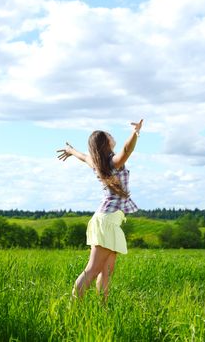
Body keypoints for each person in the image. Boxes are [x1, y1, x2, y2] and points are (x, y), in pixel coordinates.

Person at [57, 119, 143, 302]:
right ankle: (73, 307)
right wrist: (135, 133)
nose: (112, 136)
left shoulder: (98, 163)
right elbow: (127, 150)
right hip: (107, 221)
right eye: (109, 135)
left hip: (109, 219)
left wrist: (71, 151)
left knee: (106, 271)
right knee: (93, 269)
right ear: (106, 143)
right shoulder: (112, 163)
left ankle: (102, 309)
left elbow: (82, 156)